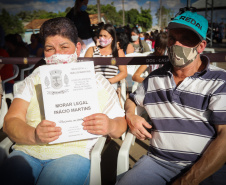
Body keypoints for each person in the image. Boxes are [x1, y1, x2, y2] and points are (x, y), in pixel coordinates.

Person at [1, 17, 127, 185]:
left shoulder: (96, 81)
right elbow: (11, 121)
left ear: (78, 48)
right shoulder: (35, 78)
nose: (57, 54)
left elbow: (120, 125)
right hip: (27, 151)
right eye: (49, 48)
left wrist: (109, 125)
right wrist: (34, 135)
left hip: (72, 154)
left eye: (64, 47)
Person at [116, 10, 226, 185]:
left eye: (186, 39)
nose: (177, 44)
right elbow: (132, 99)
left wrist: (187, 181)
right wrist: (131, 116)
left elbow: (224, 137)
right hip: (157, 162)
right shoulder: (155, 78)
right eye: (172, 38)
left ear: (201, 46)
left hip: (205, 165)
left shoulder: (219, 80)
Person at [85, 24, 127, 90]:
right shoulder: (91, 50)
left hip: (110, 86)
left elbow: (123, 72)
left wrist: (107, 82)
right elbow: (86, 69)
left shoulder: (118, 52)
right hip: (94, 86)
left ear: (112, 37)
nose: (102, 38)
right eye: (100, 35)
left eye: (105, 36)